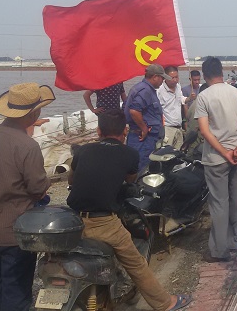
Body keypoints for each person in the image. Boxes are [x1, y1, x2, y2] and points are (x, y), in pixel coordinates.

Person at [66, 110, 192, 311]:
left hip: (72, 221)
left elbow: (71, 180)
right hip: (104, 223)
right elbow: (131, 180)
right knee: (136, 264)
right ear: (125, 131)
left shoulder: (83, 150)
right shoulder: (130, 154)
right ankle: (165, 303)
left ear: (98, 131)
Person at [0, 82, 54, 311]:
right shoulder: (27, 146)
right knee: (15, 287)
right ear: (33, 114)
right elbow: (37, 189)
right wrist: (46, 182)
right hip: (12, 231)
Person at [195, 57, 237, 262]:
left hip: (216, 158)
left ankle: (219, 251)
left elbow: (204, 130)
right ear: (222, 72)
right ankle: (233, 242)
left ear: (205, 75)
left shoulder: (204, 96)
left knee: (219, 203)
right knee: (235, 198)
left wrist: (224, 151)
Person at [124, 64, 171, 171]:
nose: (163, 81)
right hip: (143, 139)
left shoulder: (143, 88)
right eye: (162, 78)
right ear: (155, 77)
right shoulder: (145, 91)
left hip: (146, 139)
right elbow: (134, 111)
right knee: (142, 168)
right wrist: (144, 128)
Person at [157, 66, 186, 149]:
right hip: (167, 128)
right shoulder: (159, 90)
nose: (175, 80)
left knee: (178, 153)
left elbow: (181, 99)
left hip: (179, 127)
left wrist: (189, 98)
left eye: (176, 77)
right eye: (172, 78)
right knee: (166, 153)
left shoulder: (178, 87)